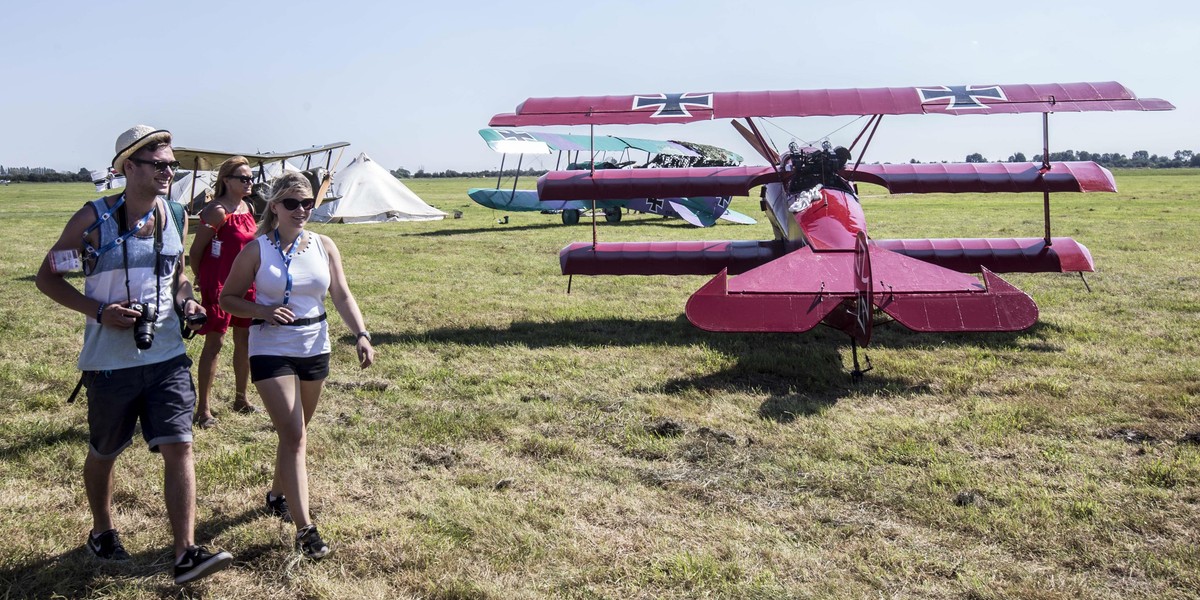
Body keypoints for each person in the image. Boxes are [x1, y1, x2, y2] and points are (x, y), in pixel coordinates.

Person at [35, 125, 233, 585]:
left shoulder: (175, 213)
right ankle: (102, 531)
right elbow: (48, 278)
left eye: (171, 165)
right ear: (128, 167)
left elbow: (177, 273)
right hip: (110, 362)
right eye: (160, 164)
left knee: (180, 446)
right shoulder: (92, 219)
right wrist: (99, 311)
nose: (169, 172)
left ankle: (186, 552)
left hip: (166, 353)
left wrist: (187, 300)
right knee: (105, 451)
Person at [220, 171, 374, 559]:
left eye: (307, 203)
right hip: (270, 346)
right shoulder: (256, 250)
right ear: (275, 207)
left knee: (296, 432)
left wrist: (361, 334)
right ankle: (305, 529)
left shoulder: (324, 244)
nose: (301, 210)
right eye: (292, 203)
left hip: (314, 344)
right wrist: (264, 311)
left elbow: (340, 293)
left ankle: (275, 494)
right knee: (294, 434)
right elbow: (227, 299)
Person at [189, 156, 260, 427]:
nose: (249, 182)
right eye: (243, 178)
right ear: (226, 180)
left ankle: (241, 399)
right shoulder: (216, 211)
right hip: (218, 283)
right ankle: (203, 410)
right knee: (215, 343)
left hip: (247, 284)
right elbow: (196, 251)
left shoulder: (247, 207)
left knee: (244, 341)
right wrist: (201, 277)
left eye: (251, 178)